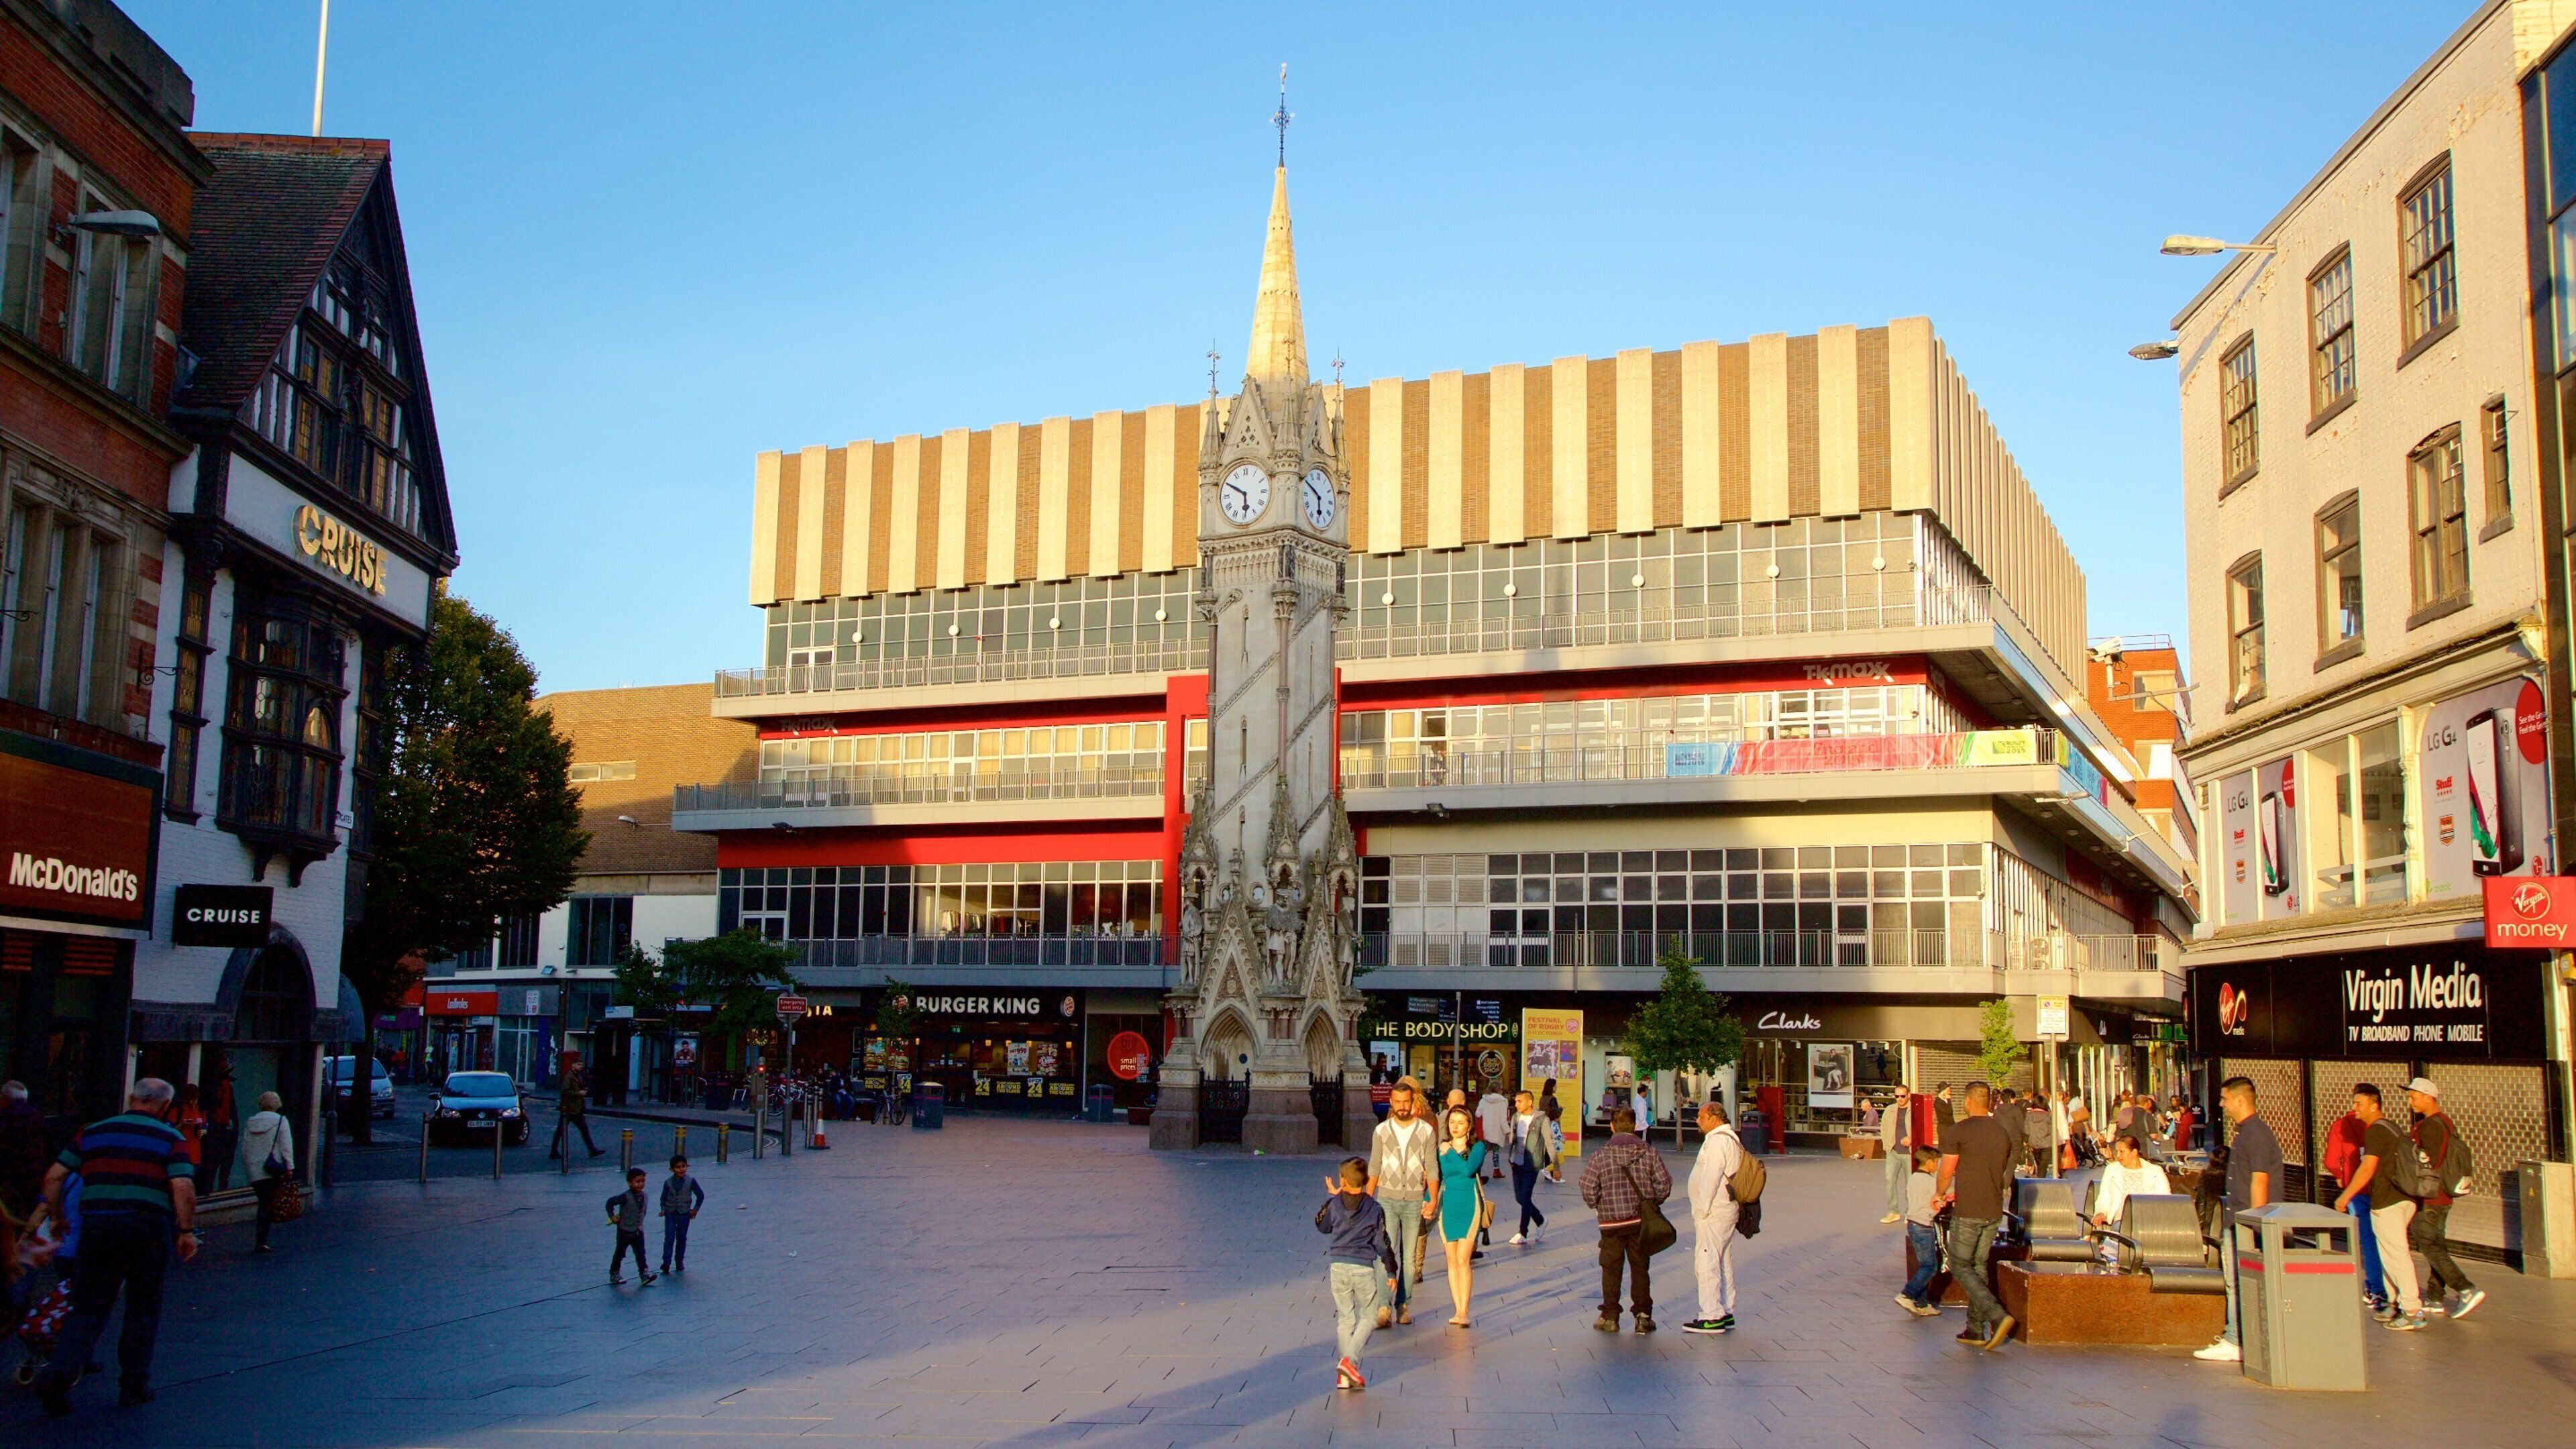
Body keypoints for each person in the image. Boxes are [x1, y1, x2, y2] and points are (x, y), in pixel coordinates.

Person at [34, 1079, 199, 1417]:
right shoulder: (171, 1137)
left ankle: (57, 1377)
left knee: (87, 1306)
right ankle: (133, 1386)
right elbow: (182, 1185)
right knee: (143, 1306)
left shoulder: (92, 1132)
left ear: (131, 1098)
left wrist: (56, 1217)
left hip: (98, 1226)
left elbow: (53, 1177)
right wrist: (185, 1231)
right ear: (165, 1106)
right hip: (147, 1227)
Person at [2196, 1075, 2283, 1363]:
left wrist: (2254, 1224)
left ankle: (2235, 1340)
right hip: (2241, 1220)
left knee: (2238, 1280)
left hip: (2247, 1222)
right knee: (2237, 1280)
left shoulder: (2256, 1134)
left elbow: (2260, 1181)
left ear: (2240, 1100)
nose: (2221, 1105)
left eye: (2224, 1099)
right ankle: (2239, 1337)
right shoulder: (2247, 1133)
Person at [2334, 1083, 2426, 1330]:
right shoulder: (2392, 1127)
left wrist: (2345, 1196)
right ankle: (2393, 1304)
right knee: (2388, 1252)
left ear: (2375, 1106)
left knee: (2396, 1254)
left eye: (2359, 1104)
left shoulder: (2375, 1130)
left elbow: (2367, 1168)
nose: (2354, 1108)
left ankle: (2412, 1309)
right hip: (2404, 1198)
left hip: (2388, 1200)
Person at [1934, 1080, 2017, 1351]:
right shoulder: (2002, 1133)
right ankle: (1974, 1329)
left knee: (1959, 1263)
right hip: (1993, 1210)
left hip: (1969, 1208)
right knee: (1979, 1266)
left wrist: (1940, 1193)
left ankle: (1997, 1315)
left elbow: (1947, 1170)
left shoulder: (1959, 1131)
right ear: (1990, 1103)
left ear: (1968, 1101)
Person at [1578, 1106, 1671, 1334]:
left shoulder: (1600, 1156)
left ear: (1612, 1127)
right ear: (1635, 1127)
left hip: (1611, 1223)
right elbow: (1664, 1184)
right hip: (1640, 1222)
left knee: (1611, 1268)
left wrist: (1600, 1204)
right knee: (1640, 1268)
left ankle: (1610, 1316)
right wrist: (1651, 1203)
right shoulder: (1648, 1152)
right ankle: (1643, 1316)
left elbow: (1588, 1187)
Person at [2406, 1077, 2485, 1320]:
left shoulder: (2430, 1126)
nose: (2410, 1103)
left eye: (2414, 1097)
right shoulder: (2446, 1123)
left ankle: (2465, 1289)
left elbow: (2431, 1162)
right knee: (2436, 1246)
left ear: (2429, 1097)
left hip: (2431, 1197)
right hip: (2443, 1197)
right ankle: (2435, 1298)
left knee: (2429, 1245)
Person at [1315, 1155, 1396, 1391]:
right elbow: (1383, 1242)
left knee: (1345, 1319)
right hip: (1362, 1267)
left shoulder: (1335, 1204)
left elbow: (1321, 1225)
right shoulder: (1374, 1208)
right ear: (1365, 1181)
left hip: (1338, 1265)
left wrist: (1333, 1197)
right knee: (1370, 1317)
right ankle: (1349, 1361)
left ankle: (1344, 1375)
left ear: (1342, 1179)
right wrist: (1391, 1271)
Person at [1366, 1081, 1436, 1328]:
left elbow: (1432, 1167)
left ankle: (1403, 1305)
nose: (1402, 1106)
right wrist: (1367, 1200)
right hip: (1387, 1198)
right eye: (1397, 1102)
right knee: (1386, 1253)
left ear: (1412, 1101)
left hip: (1415, 1199)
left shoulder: (1426, 1130)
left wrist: (1433, 1198)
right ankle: (1383, 1307)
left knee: (1408, 1258)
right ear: (1391, 1103)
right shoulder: (1382, 1131)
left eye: (1406, 1102)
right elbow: (1374, 1166)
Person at [1683, 1101, 1745, 1335]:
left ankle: (1711, 1315)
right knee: (1723, 1260)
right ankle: (1727, 1310)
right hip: (1726, 1209)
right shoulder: (1730, 1139)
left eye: (1701, 1117)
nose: (1697, 1120)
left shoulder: (1718, 1142)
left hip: (1715, 1211)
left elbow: (1711, 1177)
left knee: (1707, 1261)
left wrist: (1702, 1208)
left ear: (1714, 1118)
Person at [2320, 1101, 2386, 1310]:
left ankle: (2376, 1288)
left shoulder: (2341, 1125)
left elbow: (2331, 1161)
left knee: (2367, 1240)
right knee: (2388, 1240)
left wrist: (2341, 1176)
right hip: (2382, 1190)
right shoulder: (2380, 1126)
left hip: (2356, 1191)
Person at [1434, 1106, 1487, 1326]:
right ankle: (1457, 1309)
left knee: (1463, 1259)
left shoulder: (1477, 1147)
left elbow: (1467, 1170)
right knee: (1452, 1261)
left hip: (1469, 1204)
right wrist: (1429, 1201)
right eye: (1452, 1122)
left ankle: (1465, 1311)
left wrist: (1450, 1152)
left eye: (1460, 1122)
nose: (1455, 1126)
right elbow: (1436, 1176)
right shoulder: (1441, 1149)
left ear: (1469, 1125)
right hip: (1448, 1206)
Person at [235, 1091, 295, 1254]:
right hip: (272, 1168)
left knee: (264, 1202)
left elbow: (245, 1147)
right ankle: (261, 1241)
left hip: (255, 1170)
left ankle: (261, 1240)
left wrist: (248, 1168)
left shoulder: (250, 1122)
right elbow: (286, 1146)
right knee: (267, 1204)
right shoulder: (281, 1121)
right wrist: (289, 1167)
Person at [1894, 1144, 1944, 1317]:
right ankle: (1907, 1294)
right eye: (1936, 1162)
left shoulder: (1914, 1177)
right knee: (1930, 1266)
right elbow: (1936, 1203)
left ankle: (1922, 1304)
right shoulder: (1931, 1182)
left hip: (1913, 1223)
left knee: (1923, 1264)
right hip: (1924, 1225)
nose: (1937, 1166)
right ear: (1929, 1163)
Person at [2090, 1132, 2171, 1228]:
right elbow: (2104, 1197)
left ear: (2134, 1152)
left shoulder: (2155, 1171)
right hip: (2121, 1221)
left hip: (2148, 1222)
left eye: (2122, 1152)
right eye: (2117, 1152)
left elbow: (2165, 1200)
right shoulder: (2112, 1170)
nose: (2118, 1156)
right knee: (2123, 1229)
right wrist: (2100, 1212)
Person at [1505, 1090, 1554, 1244]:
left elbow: (1549, 1142)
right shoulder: (1516, 1117)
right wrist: (1510, 1157)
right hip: (1516, 1162)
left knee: (1525, 1197)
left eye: (1520, 1101)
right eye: (1516, 1101)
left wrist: (1556, 1166)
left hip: (1532, 1164)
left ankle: (1523, 1233)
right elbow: (1512, 1139)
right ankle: (1540, 1220)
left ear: (1530, 1102)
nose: (1516, 1104)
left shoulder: (1541, 1119)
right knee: (1520, 1198)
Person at [0, 1079, 49, 1217]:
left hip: (7, 1175)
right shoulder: (39, 1119)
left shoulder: (3, 1117)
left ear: (4, 1097)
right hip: (33, 1176)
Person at [606, 1167, 656, 1285]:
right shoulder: (625, 1197)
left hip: (638, 1230)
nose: (641, 1184)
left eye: (643, 1181)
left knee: (641, 1253)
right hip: (625, 1230)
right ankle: (614, 1273)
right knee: (620, 1252)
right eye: (638, 1182)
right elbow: (610, 1203)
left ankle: (644, 1274)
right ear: (629, 1183)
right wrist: (612, 1216)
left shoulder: (645, 1196)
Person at [659, 1155, 704, 1274]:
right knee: (669, 1238)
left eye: (684, 1166)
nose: (681, 1169)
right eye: (678, 1167)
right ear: (671, 1169)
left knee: (681, 1238)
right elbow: (663, 1198)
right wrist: (663, 1209)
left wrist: (695, 1209)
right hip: (671, 1213)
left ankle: (679, 1262)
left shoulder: (690, 1181)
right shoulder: (668, 1182)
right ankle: (666, 1263)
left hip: (684, 1214)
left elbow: (700, 1195)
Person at [552, 1061, 604, 1159]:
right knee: (561, 1131)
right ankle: (554, 1151)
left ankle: (592, 1150)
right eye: (578, 1065)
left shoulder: (578, 1076)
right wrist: (578, 1093)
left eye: (581, 1065)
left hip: (576, 1109)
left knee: (583, 1130)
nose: (580, 1067)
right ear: (573, 1065)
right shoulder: (569, 1076)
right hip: (568, 1109)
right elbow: (565, 1091)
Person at [1877, 1087, 1909, 1223]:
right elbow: (1883, 1127)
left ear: (1908, 1095)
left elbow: (1920, 1127)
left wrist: (1911, 1138)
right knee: (1890, 1181)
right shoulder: (1890, 1110)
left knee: (1911, 1184)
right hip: (1893, 1151)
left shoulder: (1914, 1110)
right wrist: (1887, 1144)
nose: (1900, 1099)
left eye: (1902, 1096)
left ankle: (1910, 1212)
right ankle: (1893, 1212)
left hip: (1909, 1153)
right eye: (1897, 1096)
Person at [1474, 1087, 1510, 1183]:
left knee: (1483, 1152)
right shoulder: (1503, 1102)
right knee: (1496, 1151)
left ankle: (1477, 1169)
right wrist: (1508, 1131)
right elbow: (1503, 1119)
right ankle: (1496, 1171)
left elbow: (1478, 1114)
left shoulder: (1483, 1100)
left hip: (1486, 1129)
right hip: (1497, 1130)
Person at [1538, 1079, 1566, 1182]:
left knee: (1547, 1150)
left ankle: (1548, 1174)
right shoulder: (1552, 1099)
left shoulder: (1542, 1098)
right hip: (1552, 1127)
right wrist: (1561, 1110)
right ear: (1552, 1087)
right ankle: (1552, 1172)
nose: (1556, 1088)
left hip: (1544, 1125)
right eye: (1556, 1086)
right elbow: (1555, 1114)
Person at [2025, 1086, 2057, 1177]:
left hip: (2034, 1143)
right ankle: (2041, 1180)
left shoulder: (2029, 1116)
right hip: (2046, 1143)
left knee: (2039, 1163)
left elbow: (2026, 1130)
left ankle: (2039, 1177)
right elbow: (2053, 1130)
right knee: (2044, 1165)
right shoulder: (2048, 1116)